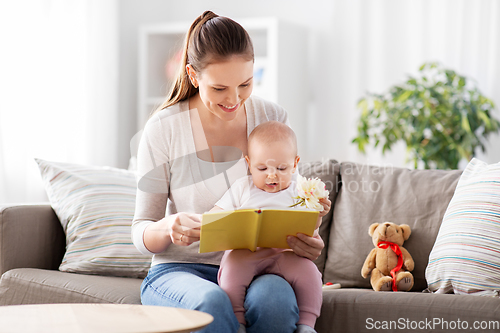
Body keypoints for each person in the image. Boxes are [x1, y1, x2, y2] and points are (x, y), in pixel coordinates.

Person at [131, 11, 327, 333]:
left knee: (275, 299)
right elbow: (141, 231)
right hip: (181, 269)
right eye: (220, 88)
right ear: (194, 76)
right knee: (212, 302)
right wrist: (167, 227)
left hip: (261, 265)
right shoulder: (163, 129)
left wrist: (309, 238)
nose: (234, 99)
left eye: (246, 84)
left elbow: (286, 196)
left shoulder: (271, 116)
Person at [211, 121, 328, 333]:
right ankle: (237, 321)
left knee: (310, 273)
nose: (272, 175)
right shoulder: (243, 187)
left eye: (282, 168)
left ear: (295, 164)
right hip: (247, 254)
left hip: (286, 255)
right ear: (248, 163)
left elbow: (311, 228)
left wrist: (317, 214)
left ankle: (306, 325)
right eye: (262, 168)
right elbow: (215, 215)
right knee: (231, 271)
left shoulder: (300, 188)